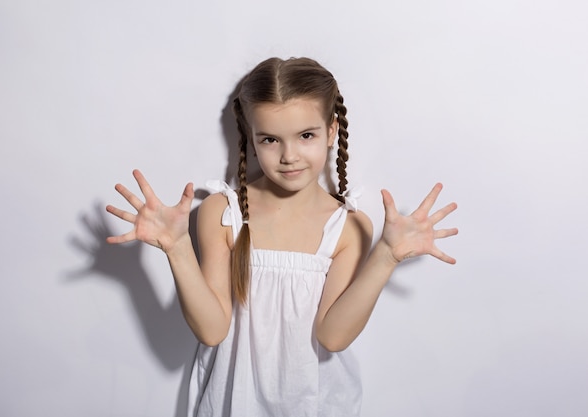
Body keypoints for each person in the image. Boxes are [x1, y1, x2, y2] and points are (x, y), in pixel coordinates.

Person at [105, 57, 458, 417]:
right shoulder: (221, 212)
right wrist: (177, 248)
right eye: (271, 139)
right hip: (235, 404)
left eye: (306, 135)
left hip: (318, 405)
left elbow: (332, 336)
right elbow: (212, 331)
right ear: (251, 137)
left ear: (331, 131)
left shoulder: (350, 226)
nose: (289, 156)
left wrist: (386, 256)